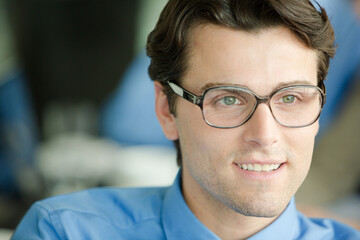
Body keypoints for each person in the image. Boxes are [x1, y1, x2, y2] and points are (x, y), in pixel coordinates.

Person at [11, 0, 360, 239]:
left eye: (290, 98)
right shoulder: (65, 232)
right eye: (228, 98)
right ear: (166, 108)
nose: (265, 135)